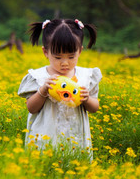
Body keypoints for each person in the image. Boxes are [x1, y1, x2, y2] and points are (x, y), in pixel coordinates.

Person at [17, 18, 101, 158]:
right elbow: (31, 108)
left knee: (75, 170)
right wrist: (42, 91)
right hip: (45, 139)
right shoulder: (39, 77)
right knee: (45, 169)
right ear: (45, 52)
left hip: (76, 139)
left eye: (71, 57)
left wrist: (86, 99)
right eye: (57, 57)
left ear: (80, 51)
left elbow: (94, 108)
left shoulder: (86, 76)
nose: (65, 63)